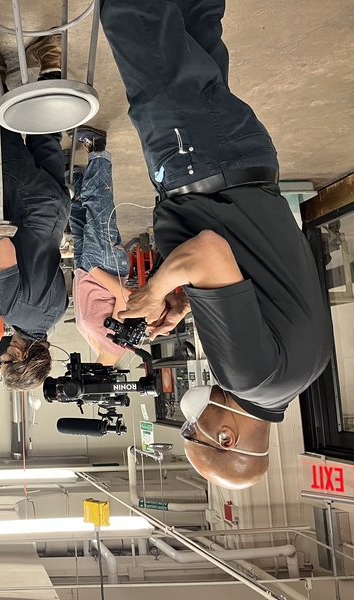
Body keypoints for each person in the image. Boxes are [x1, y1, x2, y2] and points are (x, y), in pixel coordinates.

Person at [100, 0, 332, 488]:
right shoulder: (249, 379)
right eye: (193, 430)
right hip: (198, 161)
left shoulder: (304, 373)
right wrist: (154, 290)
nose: (191, 418)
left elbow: (258, 271)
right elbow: (208, 251)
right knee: (135, 17)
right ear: (224, 438)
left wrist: (186, 301)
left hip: (242, 159)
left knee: (192, 21)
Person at [0, 35, 70, 390]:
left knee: (46, 137)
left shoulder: (54, 317)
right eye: (6, 358)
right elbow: (5, 249)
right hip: (29, 206)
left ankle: (50, 59)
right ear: (21, 356)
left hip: (56, 214)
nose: (1, 352)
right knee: (3, 140)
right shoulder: (13, 313)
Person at [69, 128, 132, 367]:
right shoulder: (117, 343)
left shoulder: (96, 345)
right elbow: (125, 296)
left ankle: (72, 173)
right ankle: (98, 147)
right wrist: (94, 271)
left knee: (77, 217)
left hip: (86, 270)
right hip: (103, 267)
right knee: (98, 207)